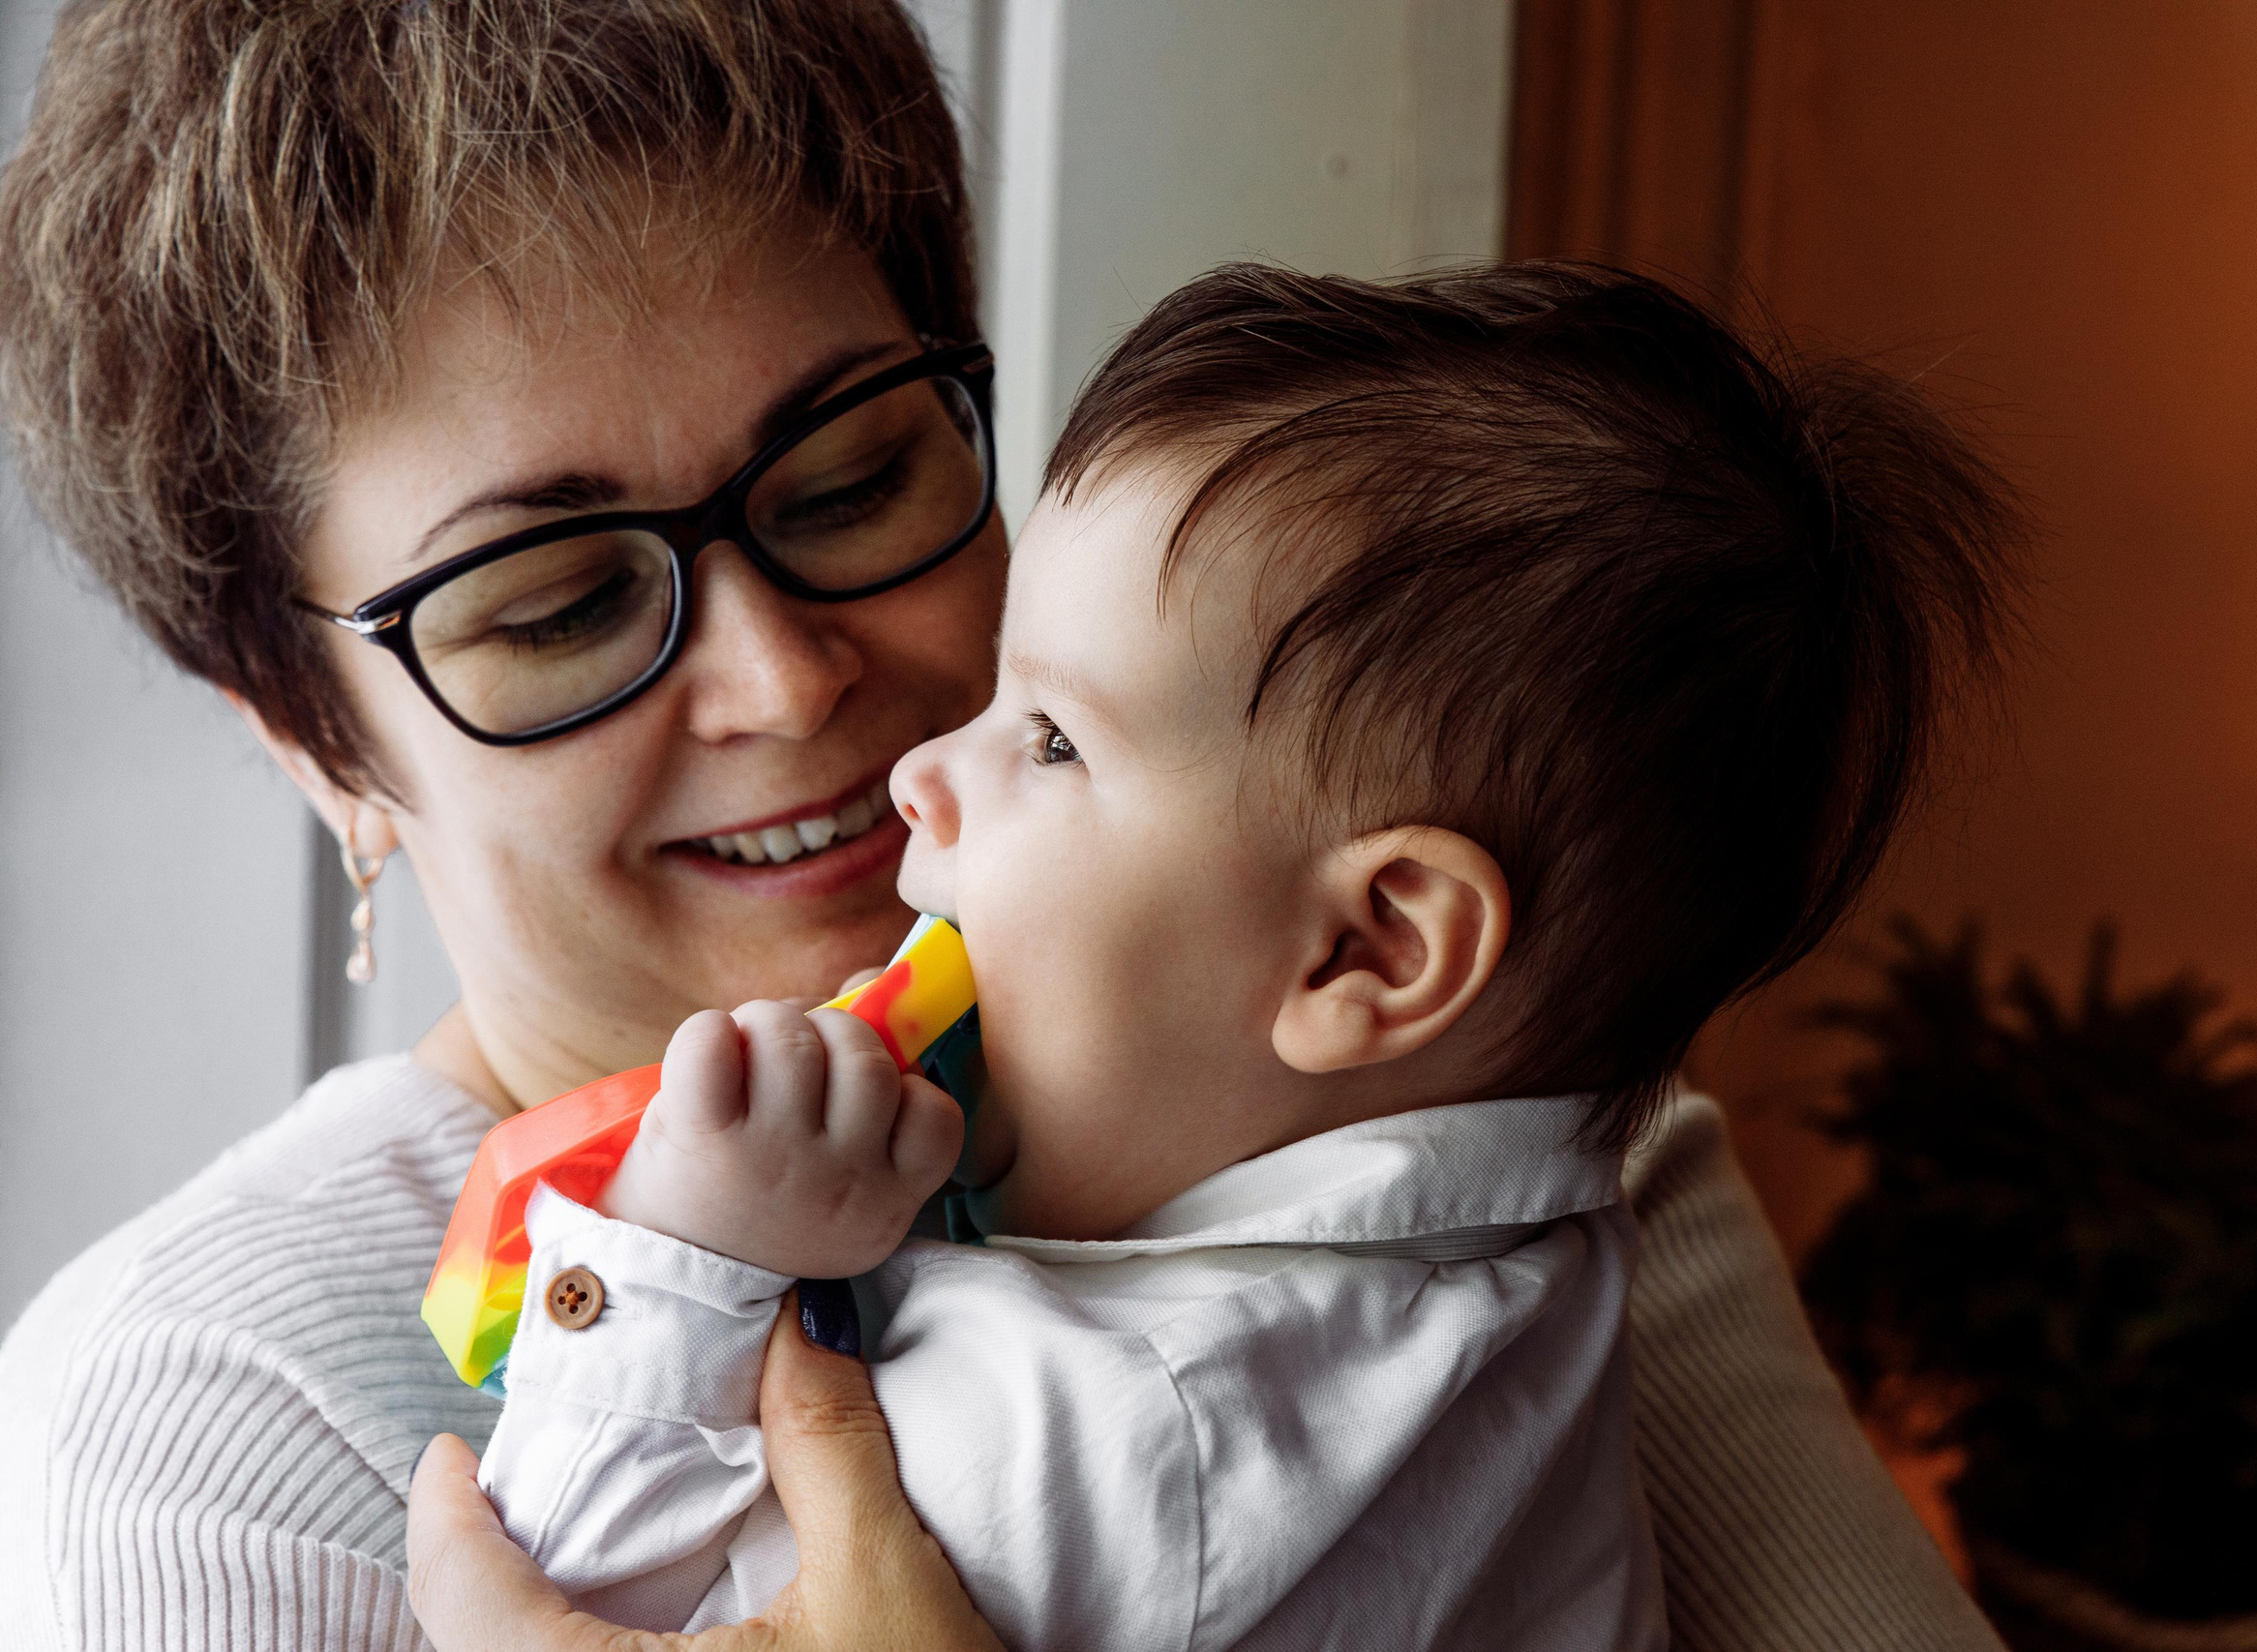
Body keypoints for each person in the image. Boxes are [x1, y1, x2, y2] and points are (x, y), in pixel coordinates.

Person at [0, 3, 2006, 1650]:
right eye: (559, 602)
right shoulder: (205, 1407)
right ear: (311, 734)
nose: (788, 683)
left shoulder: (1502, 1143)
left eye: (855, 474)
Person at [466, 262, 2022, 1650]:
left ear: (1369, 949)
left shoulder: (1114, 1436)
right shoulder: (1536, 1269)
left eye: (1054, 738)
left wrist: (688, 1248)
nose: (925, 772)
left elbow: (596, 1596)